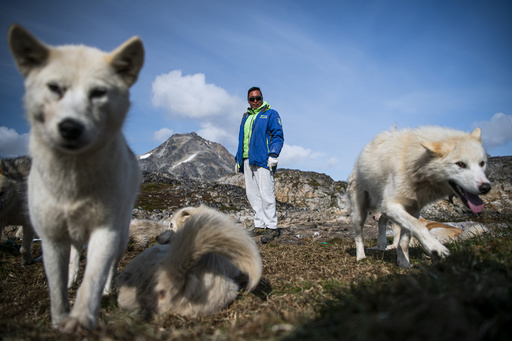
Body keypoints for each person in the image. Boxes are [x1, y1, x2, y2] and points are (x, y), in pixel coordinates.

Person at [235, 86, 284, 244]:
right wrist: (238, 159)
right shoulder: (245, 117)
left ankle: (271, 227)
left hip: (263, 159)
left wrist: (274, 154)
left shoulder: (270, 114)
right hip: (247, 159)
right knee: (252, 194)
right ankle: (260, 224)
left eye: (258, 98)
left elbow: (277, 135)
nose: (255, 101)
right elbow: (242, 139)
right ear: (248, 101)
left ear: (262, 98)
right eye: (252, 99)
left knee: (266, 194)